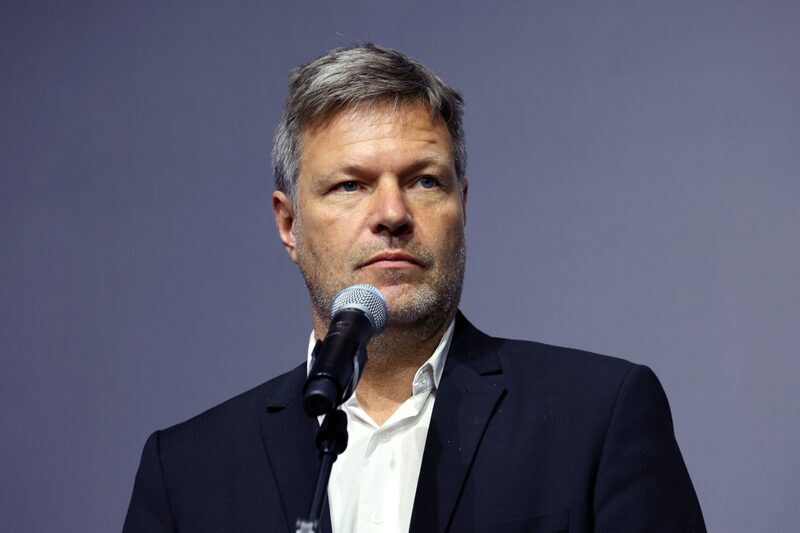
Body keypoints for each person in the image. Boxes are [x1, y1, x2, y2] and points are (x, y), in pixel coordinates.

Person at [123, 44, 706, 533]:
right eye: (351, 186)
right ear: (289, 225)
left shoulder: (598, 416)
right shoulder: (186, 471)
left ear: (463, 206)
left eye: (425, 181)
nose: (393, 214)